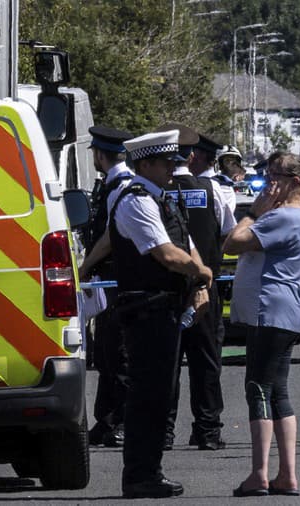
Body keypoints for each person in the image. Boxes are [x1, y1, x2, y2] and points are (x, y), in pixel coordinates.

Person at [111, 130, 213, 498]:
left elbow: (188, 245)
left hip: (166, 306)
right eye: (167, 163)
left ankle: (150, 470)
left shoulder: (162, 199)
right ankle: (140, 474)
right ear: (145, 164)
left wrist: (199, 283)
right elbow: (166, 254)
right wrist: (203, 275)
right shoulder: (136, 201)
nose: (174, 168)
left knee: (160, 392)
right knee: (148, 395)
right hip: (147, 308)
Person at [224, 152, 300, 497]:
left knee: (258, 389)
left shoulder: (281, 217)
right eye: (268, 175)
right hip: (286, 308)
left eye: (276, 176)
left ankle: (260, 473)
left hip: (269, 309)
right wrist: (296, 271)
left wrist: (255, 211)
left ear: (296, 182)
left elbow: (231, 243)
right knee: (278, 392)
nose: (270, 183)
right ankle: (287, 474)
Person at [159, 123, 235, 451]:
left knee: (167, 363)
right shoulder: (213, 190)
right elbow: (227, 234)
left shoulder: (153, 190)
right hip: (205, 286)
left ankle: (163, 432)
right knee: (206, 362)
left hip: (167, 289)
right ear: (191, 156)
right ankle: (207, 430)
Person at [77, 126, 134, 449]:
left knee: (120, 353)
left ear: (100, 154)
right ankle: (107, 418)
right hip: (106, 280)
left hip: (117, 279)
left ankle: (121, 420)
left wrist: (85, 267)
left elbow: (110, 237)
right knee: (107, 352)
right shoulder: (110, 185)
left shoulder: (120, 187)